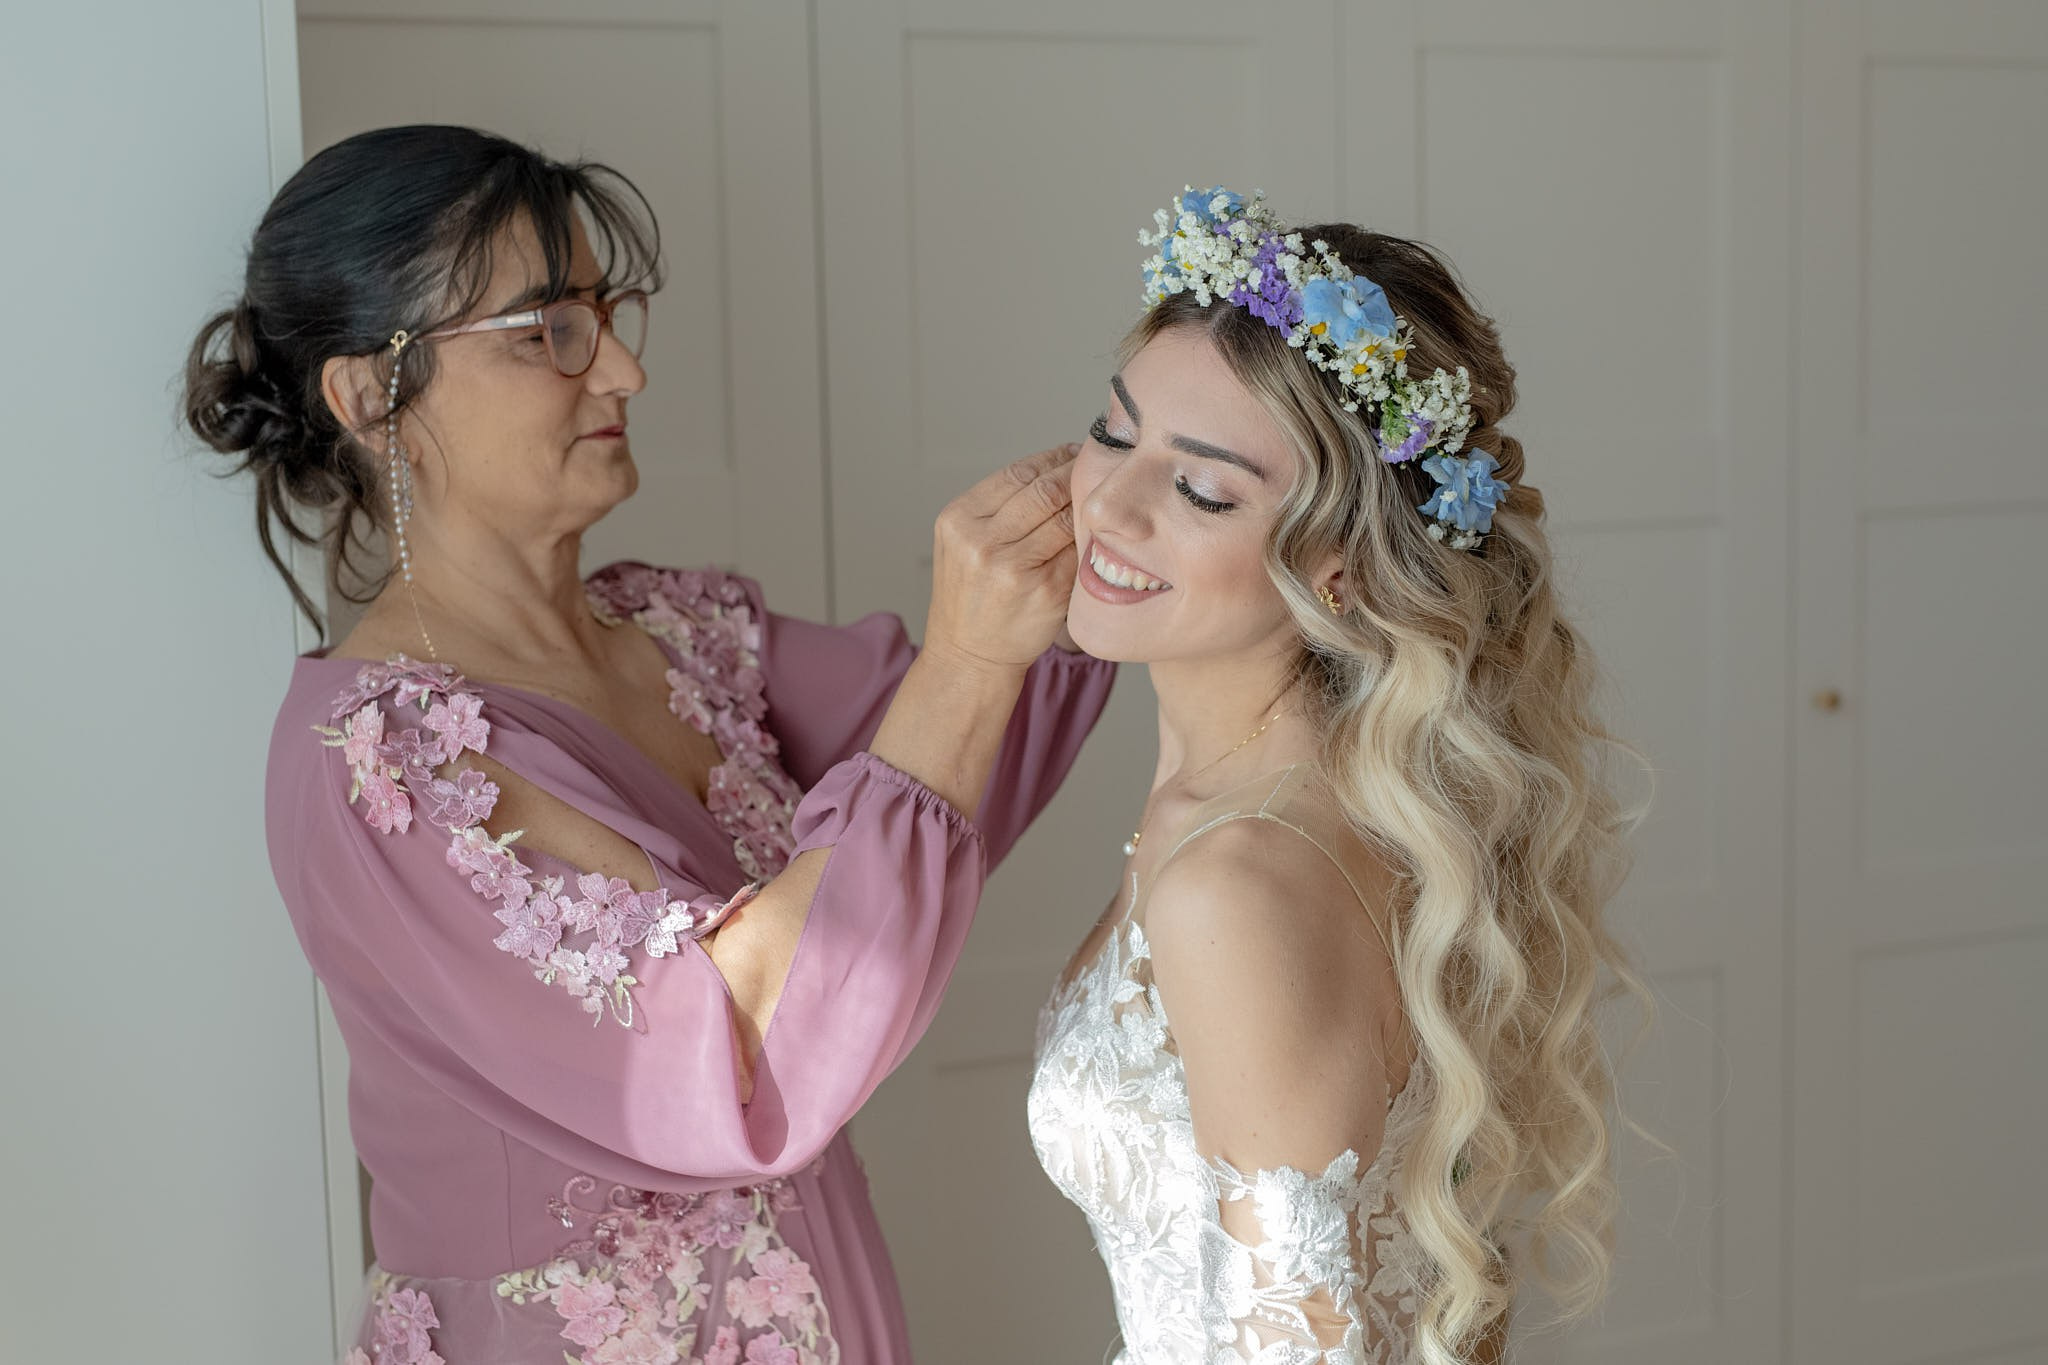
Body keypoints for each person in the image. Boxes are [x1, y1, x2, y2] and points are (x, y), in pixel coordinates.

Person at [186, 124, 1115, 1364]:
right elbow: (735, 1048)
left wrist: (1145, 489)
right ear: (370, 396)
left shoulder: (684, 633)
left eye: (607, 317)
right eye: (548, 333)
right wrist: (967, 661)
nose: (620, 371)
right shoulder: (382, 762)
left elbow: (976, 750)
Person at [1027, 187, 1645, 1364]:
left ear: (1339, 566)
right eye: (1114, 433)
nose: (1108, 502)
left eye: (1201, 488)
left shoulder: (1241, 884)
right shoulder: (1334, 806)